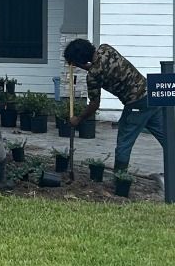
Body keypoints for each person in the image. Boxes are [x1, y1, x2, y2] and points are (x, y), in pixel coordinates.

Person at [63, 39, 166, 173]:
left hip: (136, 103)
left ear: (79, 60)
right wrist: (82, 65)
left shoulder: (93, 77)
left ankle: (120, 179)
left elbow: (94, 104)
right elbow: (100, 66)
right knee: (167, 136)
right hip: (151, 95)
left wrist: (78, 119)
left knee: (124, 142)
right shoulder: (106, 49)